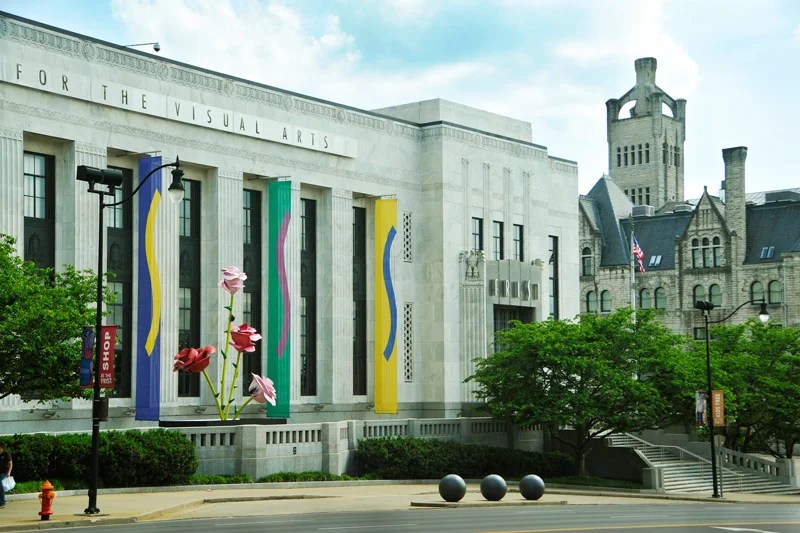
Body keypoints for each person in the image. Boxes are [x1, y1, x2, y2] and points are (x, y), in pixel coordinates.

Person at [0, 441, 12, 508]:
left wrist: (9, 472)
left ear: (1, 447)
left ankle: (2, 502)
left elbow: (10, 464)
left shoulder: (6, 454)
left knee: (0, 484)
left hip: (4, 473)